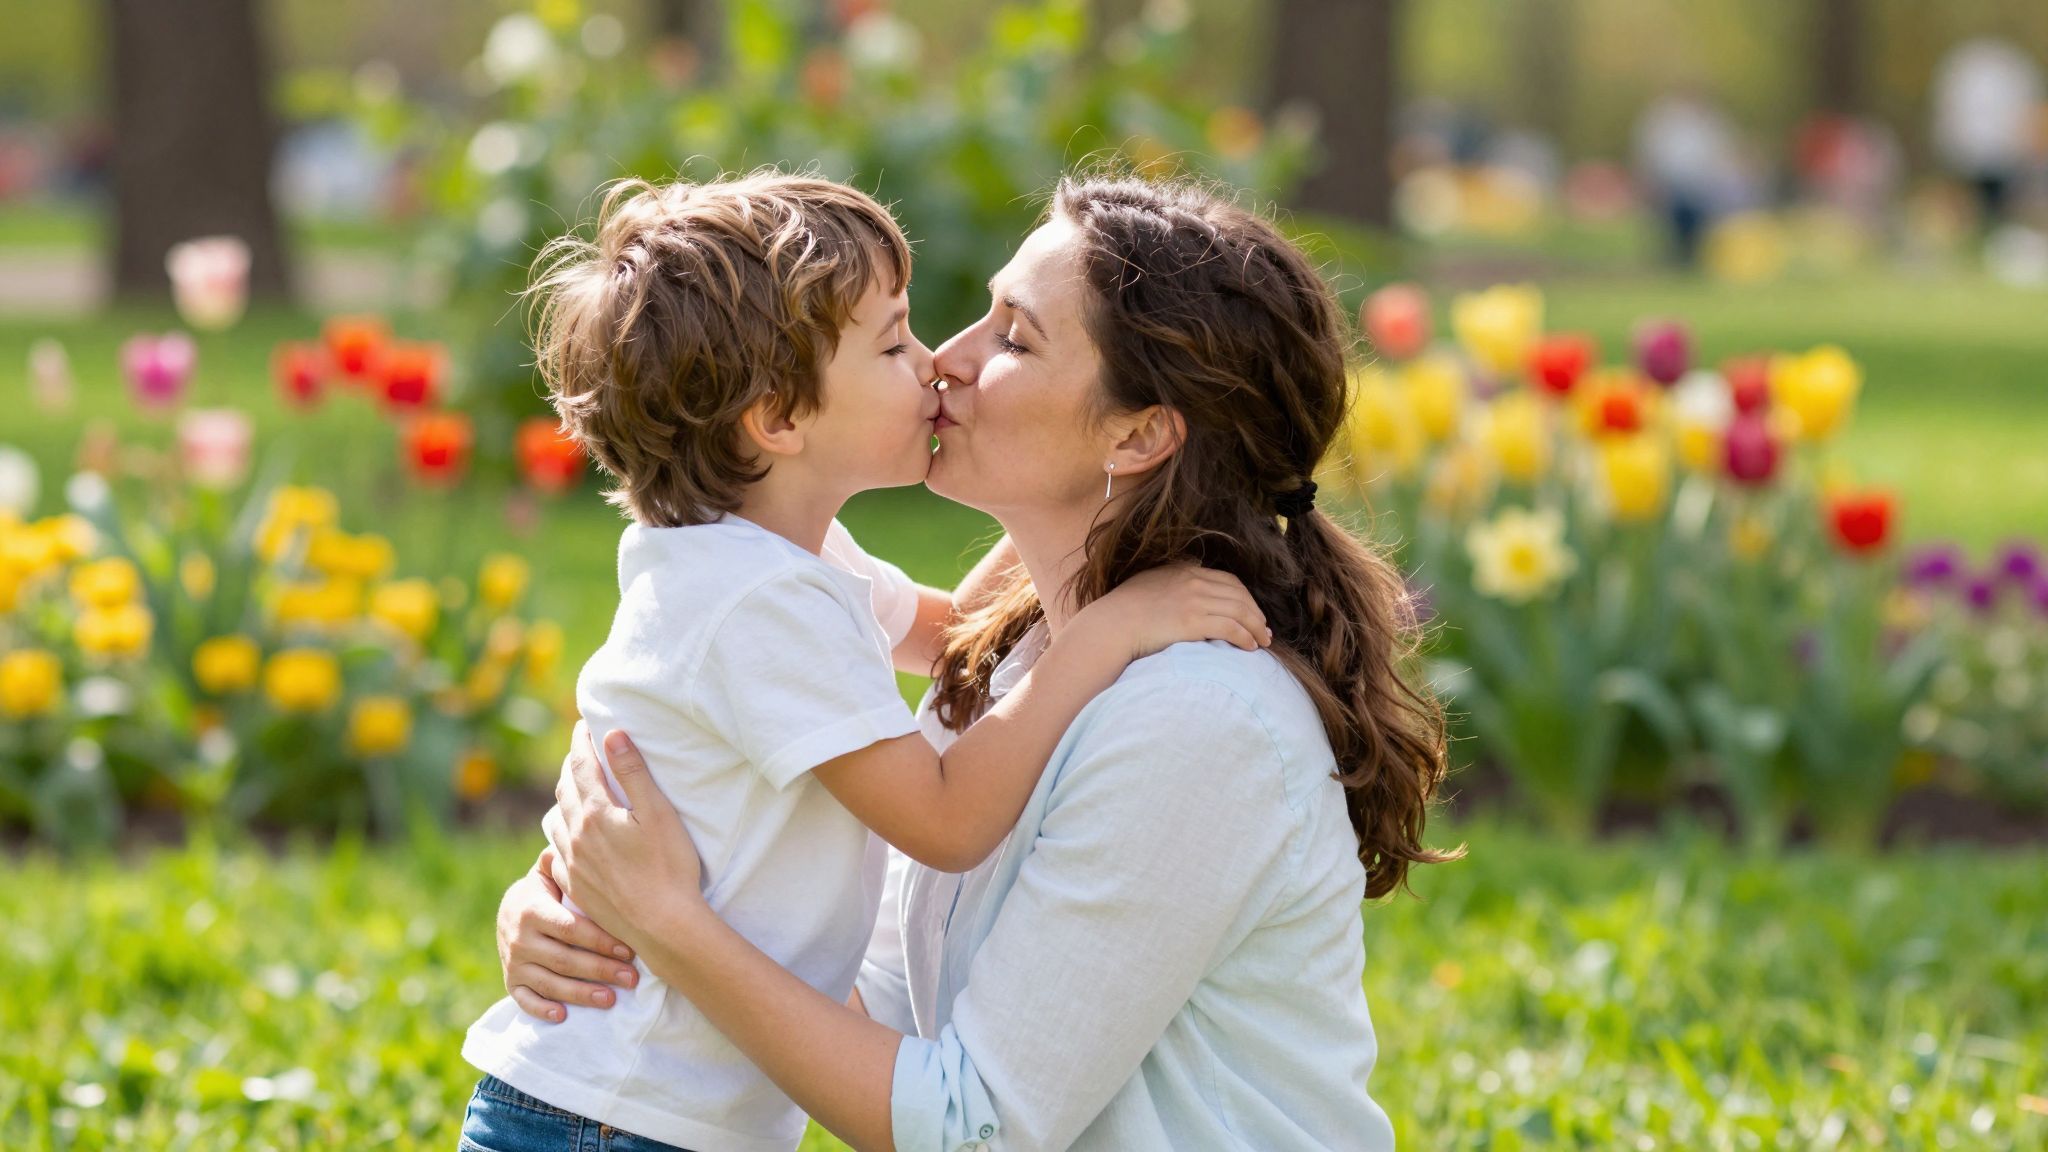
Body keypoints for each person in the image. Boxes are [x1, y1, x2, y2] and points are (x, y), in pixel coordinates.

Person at [505, 174, 1458, 1151]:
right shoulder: (1021, 665)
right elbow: (880, 1001)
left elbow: (969, 1122)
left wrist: (667, 924)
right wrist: (592, 928)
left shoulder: (1194, 715)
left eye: (1012, 337)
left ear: (1136, 433)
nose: (944, 362)